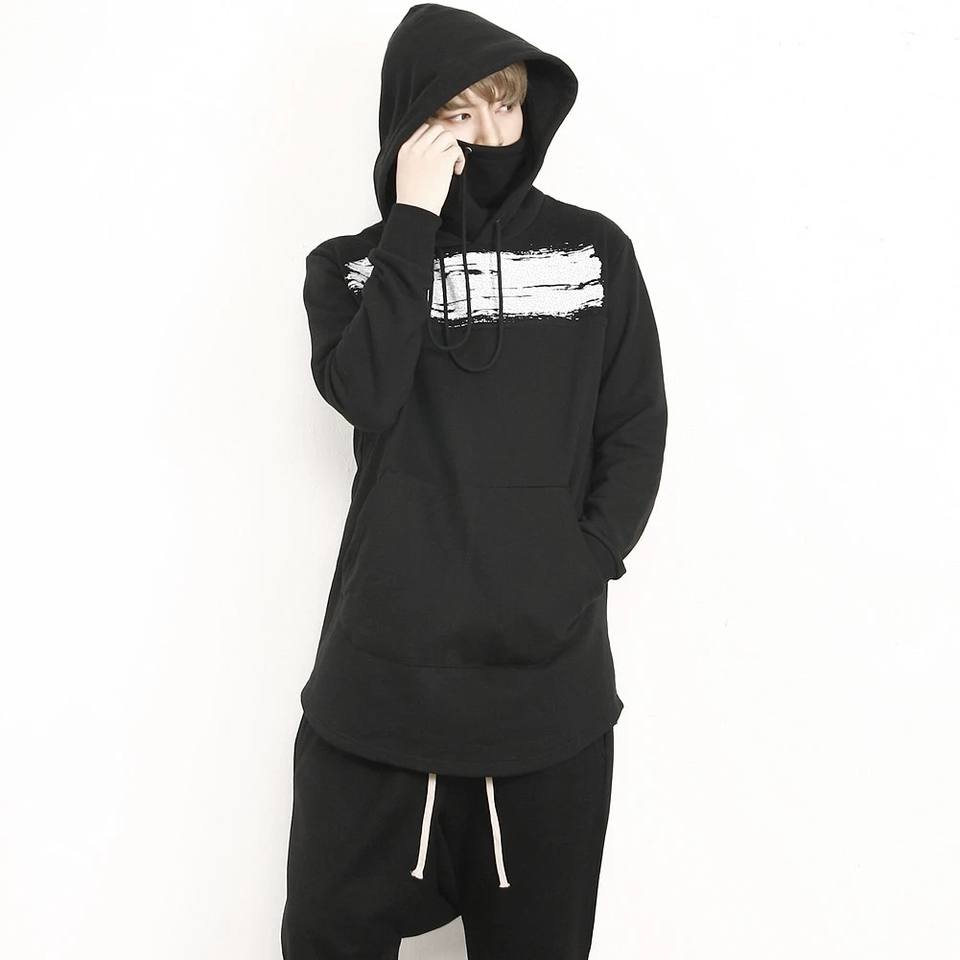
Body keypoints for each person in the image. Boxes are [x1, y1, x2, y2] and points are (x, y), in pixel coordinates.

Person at [281, 3, 668, 957]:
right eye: (459, 112)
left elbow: (634, 428)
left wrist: (576, 564)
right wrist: (412, 220)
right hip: (378, 690)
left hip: (546, 697)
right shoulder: (350, 269)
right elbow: (366, 396)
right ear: (411, 127)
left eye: (507, 104)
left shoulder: (594, 255)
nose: (493, 134)